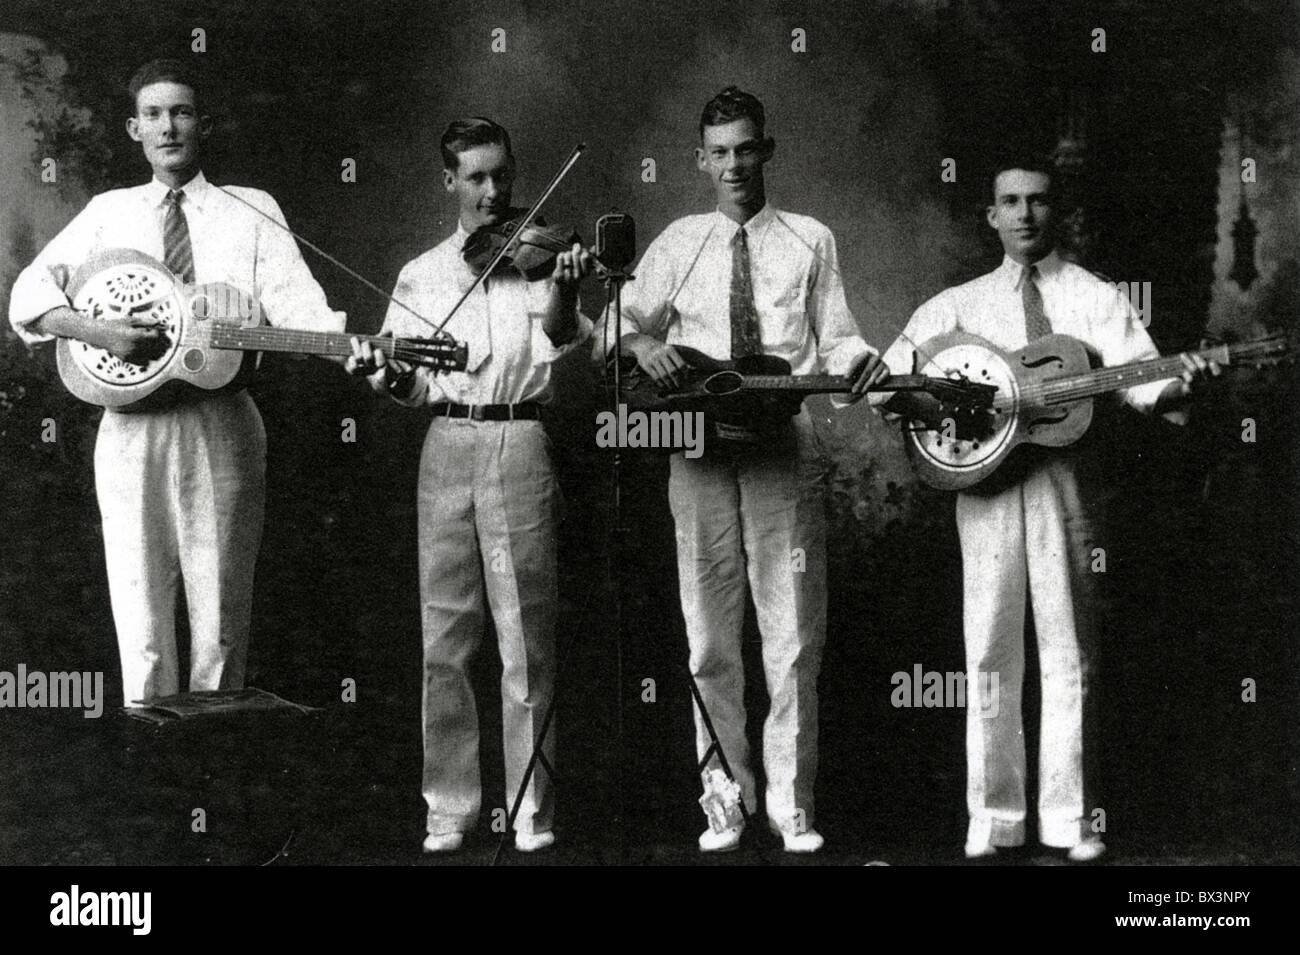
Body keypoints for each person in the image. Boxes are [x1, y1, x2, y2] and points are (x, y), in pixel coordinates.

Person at [875, 156, 1218, 862]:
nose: (1025, 214)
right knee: (990, 651)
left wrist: (1188, 381)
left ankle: (1071, 820)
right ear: (991, 214)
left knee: (1069, 653)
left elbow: (1147, 385)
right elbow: (888, 386)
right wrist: (939, 402)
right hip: (986, 490)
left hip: (1066, 486)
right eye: (1011, 201)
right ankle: (993, 818)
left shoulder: (1094, 296)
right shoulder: (956, 306)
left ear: (1054, 210)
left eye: (1038, 200)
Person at [594, 87, 887, 853]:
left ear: (768, 151)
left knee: (790, 635)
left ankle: (793, 806)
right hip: (695, 454)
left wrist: (866, 365)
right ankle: (723, 799)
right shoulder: (676, 241)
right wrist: (640, 345)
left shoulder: (810, 239)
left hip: (780, 455)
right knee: (708, 641)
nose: (733, 165)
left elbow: (841, 339)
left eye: (746, 148)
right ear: (700, 160)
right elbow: (612, 330)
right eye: (719, 152)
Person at [8, 58, 345, 707]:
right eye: (155, 114)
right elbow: (28, 290)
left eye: (183, 112)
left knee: (219, 620)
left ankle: (215, 771)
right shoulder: (109, 211)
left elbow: (299, 306)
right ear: (135, 128)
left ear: (205, 124)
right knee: (141, 617)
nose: (169, 127)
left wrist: (345, 346)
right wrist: (95, 331)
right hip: (130, 432)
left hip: (221, 425)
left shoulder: (251, 210)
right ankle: (154, 769)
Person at [346, 118, 593, 854]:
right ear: (448, 181)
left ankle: (531, 808)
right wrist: (382, 371)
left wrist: (564, 286)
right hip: (448, 441)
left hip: (522, 435)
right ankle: (449, 807)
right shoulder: (423, 274)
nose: (493, 192)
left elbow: (563, 346)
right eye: (476, 178)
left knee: (526, 637)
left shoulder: (545, 259)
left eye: (502, 176)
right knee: (444, 636)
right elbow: (408, 381)